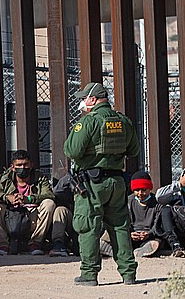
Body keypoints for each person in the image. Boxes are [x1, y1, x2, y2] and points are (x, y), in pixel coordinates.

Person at [64, 82, 139, 286]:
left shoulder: (88, 122)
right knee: (120, 227)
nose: (82, 102)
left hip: (91, 184)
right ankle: (128, 273)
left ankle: (89, 274)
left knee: (88, 226)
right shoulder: (124, 121)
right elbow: (133, 150)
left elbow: (71, 150)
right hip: (116, 181)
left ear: (93, 99)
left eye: (84, 98)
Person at [0, 150, 56, 255]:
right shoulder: (6, 179)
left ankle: (35, 243)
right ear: (13, 167)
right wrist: (8, 198)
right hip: (10, 218)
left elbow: (49, 195)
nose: (23, 168)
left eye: (26, 164)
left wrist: (29, 199)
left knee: (49, 203)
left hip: (32, 218)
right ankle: (3, 245)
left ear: (31, 165)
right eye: (19, 165)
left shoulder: (39, 178)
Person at [126, 171, 164, 257]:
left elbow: (158, 225)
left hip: (150, 236)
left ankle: (143, 249)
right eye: (137, 190)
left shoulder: (157, 203)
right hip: (131, 235)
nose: (140, 193)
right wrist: (130, 233)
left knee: (158, 242)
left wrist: (149, 233)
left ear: (150, 188)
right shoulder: (128, 201)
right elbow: (124, 221)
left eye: (144, 190)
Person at [50, 171, 78, 257]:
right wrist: (72, 177)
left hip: (94, 220)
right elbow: (56, 191)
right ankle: (58, 244)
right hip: (76, 220)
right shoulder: (73, 182)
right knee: (60, 210)